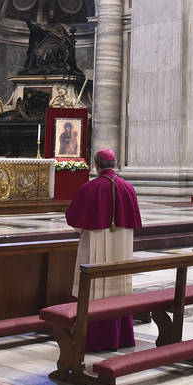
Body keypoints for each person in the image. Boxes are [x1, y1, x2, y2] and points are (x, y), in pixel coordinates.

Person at [64, 149, 143, 351]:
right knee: (119, 286)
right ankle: (122, 336)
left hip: (94, 246)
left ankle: (92, 339)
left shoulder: (89, 189)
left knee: (94, 287)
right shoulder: (128, 188)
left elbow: (75, 221)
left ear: (96, 165)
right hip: (122, 248)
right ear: (114, 164)